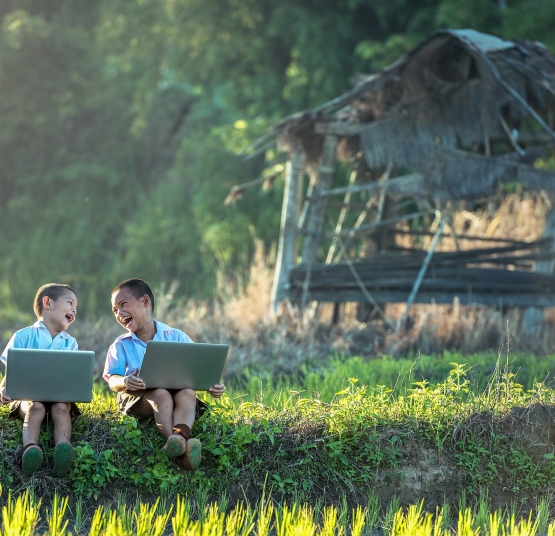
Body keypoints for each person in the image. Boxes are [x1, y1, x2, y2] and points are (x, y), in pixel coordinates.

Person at [103, 278, 225, 471]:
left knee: (188, 393)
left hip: (174, 393)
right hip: (138, 398)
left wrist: (212, 385)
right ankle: (176, 441)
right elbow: (112, 380)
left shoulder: (175, 336)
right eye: (115, 310)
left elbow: (198, 367)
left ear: (145, 301)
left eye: (123, 305)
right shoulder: (121, 344)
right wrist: (126, 381)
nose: (119, 313)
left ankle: (179, 441)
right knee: (161, 394)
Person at [0, 283, 79, 478]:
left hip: (58, 396)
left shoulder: (70, 342)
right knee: (36, 407)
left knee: (61, 407)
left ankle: (63, 448)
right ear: (47, 303)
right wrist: (4, 388)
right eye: (70, 303)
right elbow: (11, 371)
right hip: (27, 396)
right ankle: (30, 450)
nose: (74, 309)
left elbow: (72, 376)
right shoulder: (23, 335)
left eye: (76, 307)